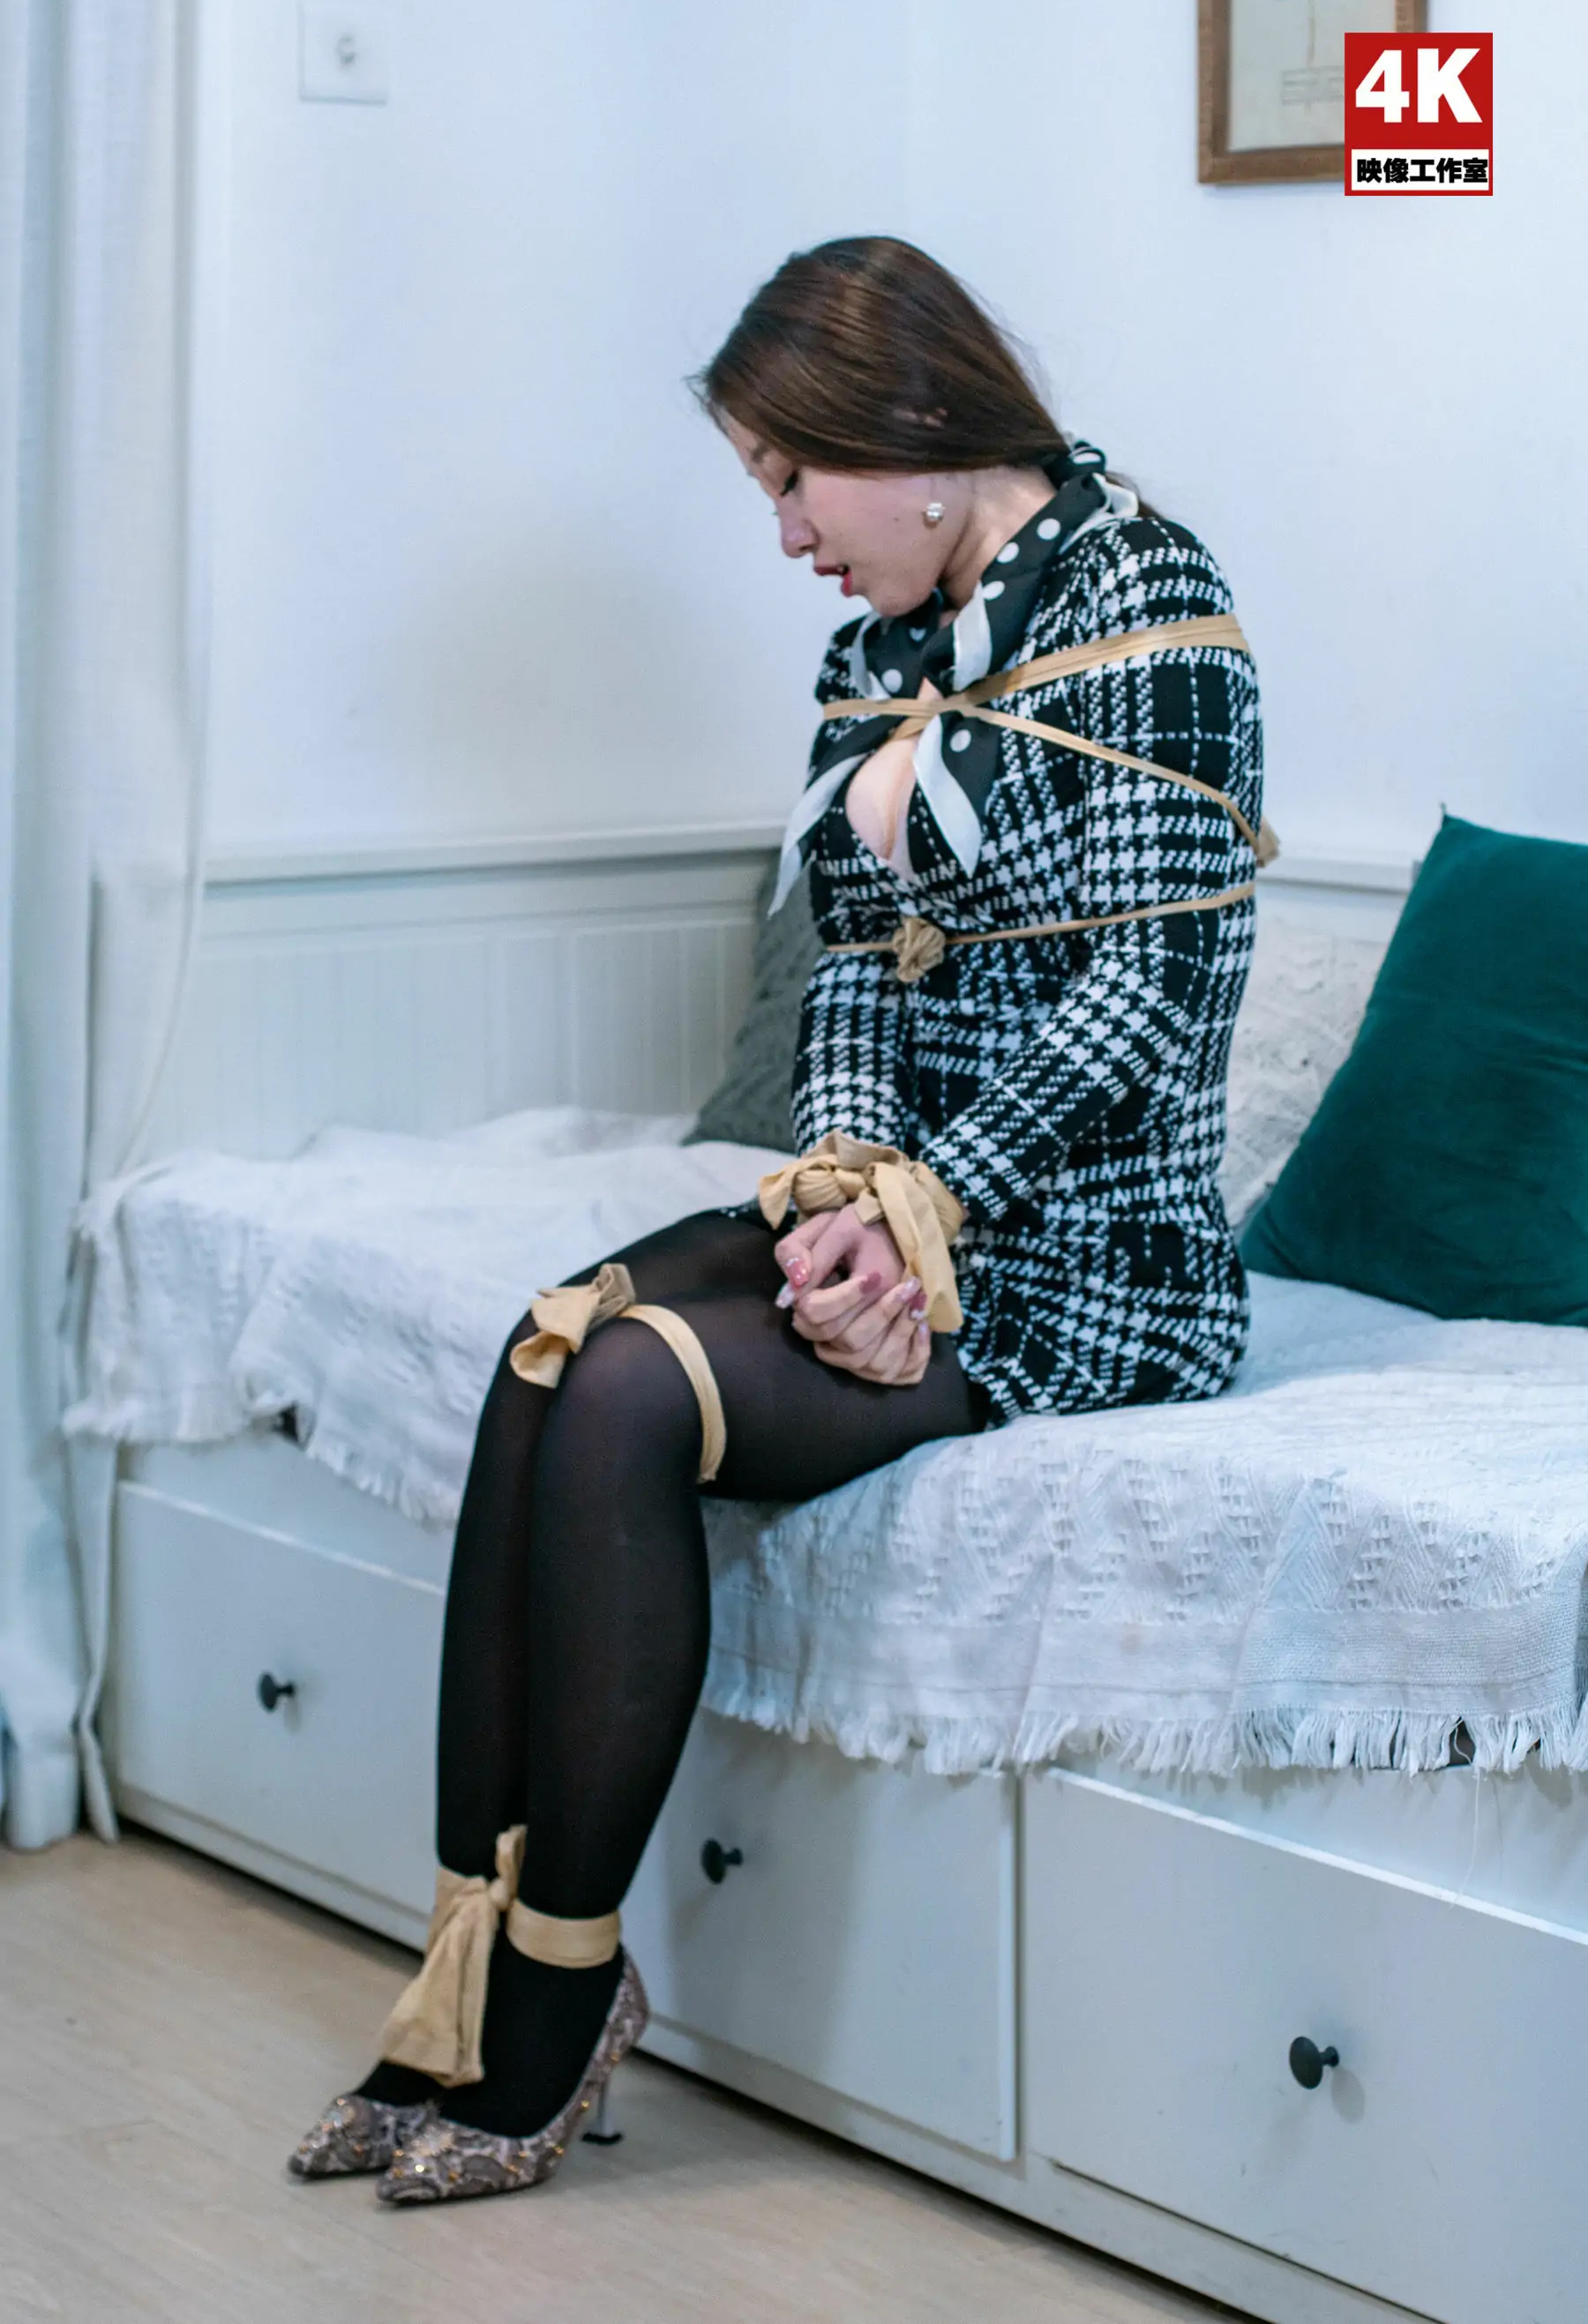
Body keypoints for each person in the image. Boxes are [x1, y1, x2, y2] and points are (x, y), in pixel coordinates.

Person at [288, 235, 1266, 2204]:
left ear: (909, 430)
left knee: (637, 1394)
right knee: (556, 1342)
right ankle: (467, 1978)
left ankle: (554, 2009)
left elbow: (1153, 991)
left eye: (792, 481)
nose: (789, 536)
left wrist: (926, 1210)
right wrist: (841, 1191)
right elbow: (854, 973)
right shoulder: (877, 652)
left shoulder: (1150, 596)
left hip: (1093, 1261)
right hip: (912, 1210)